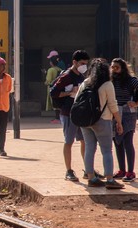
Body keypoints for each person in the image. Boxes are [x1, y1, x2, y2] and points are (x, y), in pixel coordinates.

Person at [76, 58, 124, 189]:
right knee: (107, 150)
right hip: (103, 120)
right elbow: (113, 105)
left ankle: (91, 177)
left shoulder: (85, 82)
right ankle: (109, 179)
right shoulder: (107, 84)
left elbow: (77, 100)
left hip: (86, 121)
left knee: (89, 148)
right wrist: (119, 122)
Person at [50, 50, 90, 181]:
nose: (84, 65)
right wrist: (69, 93)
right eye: (82, 63)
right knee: (69, 141)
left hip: (80, 113)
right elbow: (53, 92)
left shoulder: (82, 76)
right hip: (68, 113)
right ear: (75, 62)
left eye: (86, 63)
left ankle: (88, 169)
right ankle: (68, 171)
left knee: (85, 141)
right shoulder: (66, 76)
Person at [111, 58, 138, 182]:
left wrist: (137, 103)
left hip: (128, 113)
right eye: (112, 67)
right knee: (117, 142)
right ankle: (121, 170)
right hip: (115, 112)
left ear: (123, 68)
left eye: (116, 67)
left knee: (127, 141)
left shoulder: (130, 80)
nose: (113, 70)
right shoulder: (110, 80)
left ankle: (130, 171)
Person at [44, 57, 62, 124]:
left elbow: (48, 80)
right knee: (59, 103)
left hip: (52, 88)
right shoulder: (60, 69)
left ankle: (57, 118)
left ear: (51, 63)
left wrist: (46, 83)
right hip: (60, 88)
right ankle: (59, 117)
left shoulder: (50, 70)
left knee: (54, 103)